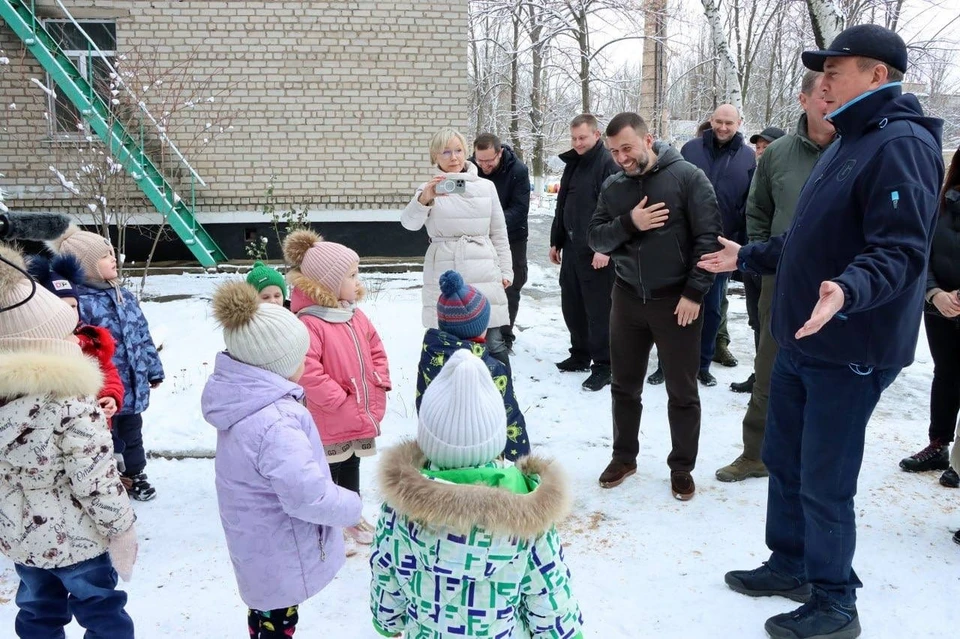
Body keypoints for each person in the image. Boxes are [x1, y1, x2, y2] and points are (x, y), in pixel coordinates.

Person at [699, 24, 943, 638]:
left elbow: (902, 250)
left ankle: (836, 603)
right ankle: (791, 563)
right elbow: (811, 237)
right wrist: (750, 256)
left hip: (851, 345)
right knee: (785, 458)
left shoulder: (902, 145)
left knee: (825, 478)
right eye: (823, 71)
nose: (824, 80)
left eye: (837, 69)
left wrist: (848, 288)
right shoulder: (849, 139)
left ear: (877, 76)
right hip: (805, 337)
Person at [370, 350, 583, 638]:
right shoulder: (528, 514)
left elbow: (386, 574)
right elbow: (549, 595)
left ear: (428, 440)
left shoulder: (399, 506)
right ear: (497, 441)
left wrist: (388, 623)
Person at [201, 280, 363, 638]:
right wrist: (350, 506)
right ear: (277, 365)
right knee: (278, 618)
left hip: (258, 540)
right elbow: (308, 495)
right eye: (300, 358)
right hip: (279, 547)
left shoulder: (244, 399)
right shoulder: (274, 422)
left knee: (265, 610)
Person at [0, 244, 138, 638]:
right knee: (102, 609)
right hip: (80, 541)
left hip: (23, 542)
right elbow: (95, 480)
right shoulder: (72, 405)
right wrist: (121, 529)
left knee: (37, 612)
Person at [587, 111, 722, 500]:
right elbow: (597, 239)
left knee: (682, 391)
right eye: (613, 151)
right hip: (628, 298)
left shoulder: (688, 178)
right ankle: (624, 457)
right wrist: (630, 222)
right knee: (623, 387)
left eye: (626, 148)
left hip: (676, 302)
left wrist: (695, 293)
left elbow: (708, 240)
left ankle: (682, 466)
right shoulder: (614, 187)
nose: (621, 158)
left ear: (649, 140)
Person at [715, 71, 837, 482]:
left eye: (836, 92)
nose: (831, 100)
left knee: (832, 375)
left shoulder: (861, 147)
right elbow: (758, 212)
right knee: (769, 364)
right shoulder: (779, 154)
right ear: (804, 100)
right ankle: (756, 454)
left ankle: (817, 461)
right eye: (822, 94)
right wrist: (765, 257)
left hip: (844, 286)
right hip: (781, 280)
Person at [283, 229, 391, 556]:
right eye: (351, 275)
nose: (357, 282)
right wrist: (336, 399)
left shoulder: (354, 316)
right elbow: (306, 369)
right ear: (329, 283)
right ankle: (330, 525)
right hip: (331, 416)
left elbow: (376, 349)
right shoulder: (310, 323)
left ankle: (351, 516)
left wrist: (379, 380)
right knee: (328, 472)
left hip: (356, 412)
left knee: (353, 464)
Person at [51, 225, 165, 501]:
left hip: (131, 384)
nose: (114, 259)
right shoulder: (78, 303)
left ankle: (136, 473)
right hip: (101, 389)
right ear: (85, 264)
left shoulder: (123, 295)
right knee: (103, 438)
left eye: (112, 253)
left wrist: (152, 368)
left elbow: (141, 335)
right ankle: (110, 477)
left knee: (132, 433)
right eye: (105, 256)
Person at [401, 128, 514, 369]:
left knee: (493, 343)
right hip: (446, 269)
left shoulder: (486, 187)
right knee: (447, 346)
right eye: (446, 152)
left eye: (459, 150)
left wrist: (506, 271)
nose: (454, 157)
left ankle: (502, 399)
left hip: (483, 268)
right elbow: (409, 224)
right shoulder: (428, 189)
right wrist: (425, 199)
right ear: (435, 157)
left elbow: (499, 232)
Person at [416, 270, 530, 460]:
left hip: (438, 452)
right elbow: (510, 420)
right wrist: (521, 462)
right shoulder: (492, 369)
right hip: (483, 457)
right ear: (481, 328)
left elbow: (424, 404)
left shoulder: (430, 357)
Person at [680, 103, 756, 386]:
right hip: (684, 242)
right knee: (676, 304)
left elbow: (750, 203)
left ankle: (702, 364)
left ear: (739, 123)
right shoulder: (691, 150)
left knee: (711, 309)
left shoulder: (748, 158)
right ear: (711, 120)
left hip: (722, 246)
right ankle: (668, 363)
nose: (723, 128)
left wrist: (742, 247)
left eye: (729, 123)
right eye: (718, 121)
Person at [900, 147, 960, 487]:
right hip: (939, 306)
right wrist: (935, 293)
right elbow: (920, 256)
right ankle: (939, 443)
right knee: (946, 374)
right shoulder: (939, 206)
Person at [550, 113, 621, 391]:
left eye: (583, 137)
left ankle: (605, 364)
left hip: (598, 252)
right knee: (573, 303)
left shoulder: (607, 164)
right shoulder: (574, 163)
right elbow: (563, 204)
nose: (578, 142)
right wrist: (556, 240)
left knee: (599, 309)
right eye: (574, 138)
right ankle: (579, 353)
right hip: (572, 248)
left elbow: (616, 210)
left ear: (596, 135)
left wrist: (607, 248)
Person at [28, 253, 125, 428]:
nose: (68, 312)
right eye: (60, 306)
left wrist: (110, 395)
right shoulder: (34, 345)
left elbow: (109, 372)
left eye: (73, 306)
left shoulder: (89, 342)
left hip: (95, 429)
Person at [729, 125, 788, 394]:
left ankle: (774, 377)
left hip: (773, 258)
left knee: (773, 322)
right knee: (756, 320)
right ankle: (760, 372)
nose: (762, 151)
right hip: (749, 256)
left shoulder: (784, 178)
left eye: (767, 146)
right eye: (759, 146)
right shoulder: (750, 174)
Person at [471, 133, 531, 352]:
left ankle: (505, 337)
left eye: (490, 160)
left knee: (510, 285)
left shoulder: (518, 171)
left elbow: (520, 209)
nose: (484, 165)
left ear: (500, 153)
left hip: (512, 236)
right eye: (480, 160)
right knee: (479, 283)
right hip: (479, 237)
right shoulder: (470, 168)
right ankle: (478, 331)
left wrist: (490, 222)